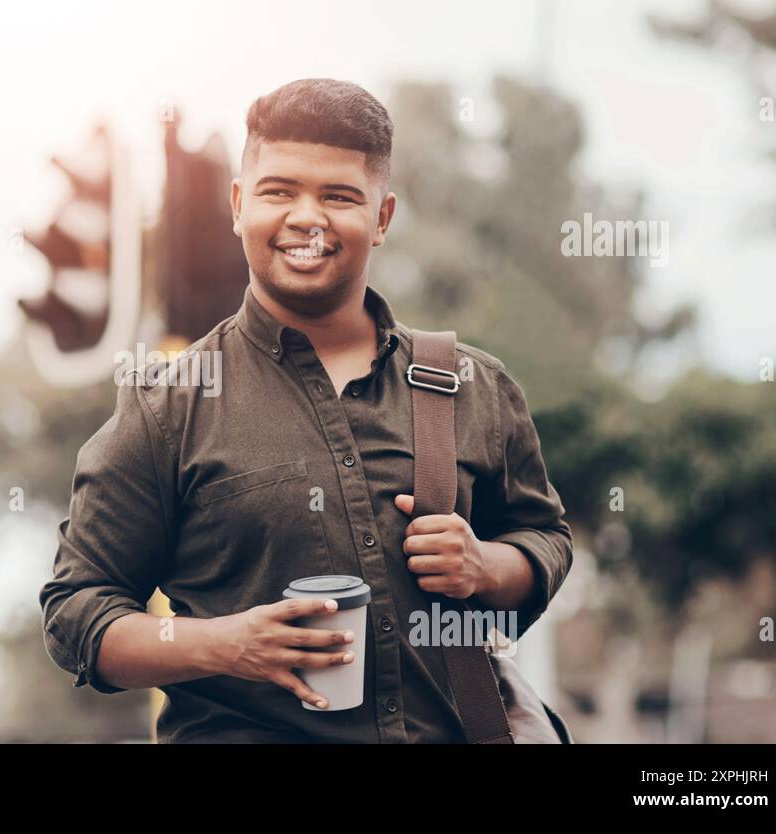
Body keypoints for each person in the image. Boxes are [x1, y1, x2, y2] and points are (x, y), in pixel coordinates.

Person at [39, 78, 573, 743]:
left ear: (382, 219)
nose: (307, 217)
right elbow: (76, 613)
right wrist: (224, 644)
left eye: (340, 196)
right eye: (279, 191)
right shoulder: (167, 407)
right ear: (238, 205)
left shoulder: (474, 386)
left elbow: (544, 538)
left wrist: (487, 567)